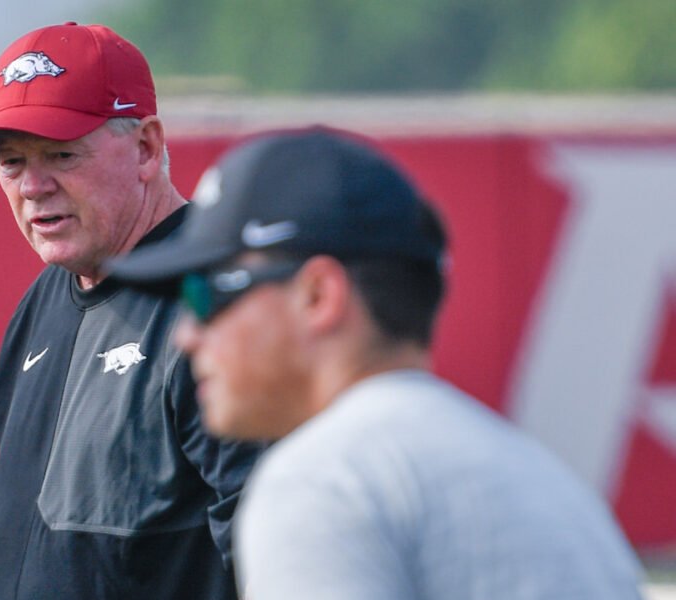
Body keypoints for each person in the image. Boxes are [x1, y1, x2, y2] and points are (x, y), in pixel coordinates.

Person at [108, 129, 646, 599]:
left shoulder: (324, 482)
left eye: (207, 293)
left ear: (319, 296)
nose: (186, 334)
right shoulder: (544, 479)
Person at [0, 22, 261, 600]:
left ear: (146, 147)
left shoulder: (215, 302)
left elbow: (276, 561)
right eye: (12, 161)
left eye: (61, 155)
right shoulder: (42, 302)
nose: (33, 186)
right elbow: (21, 544)